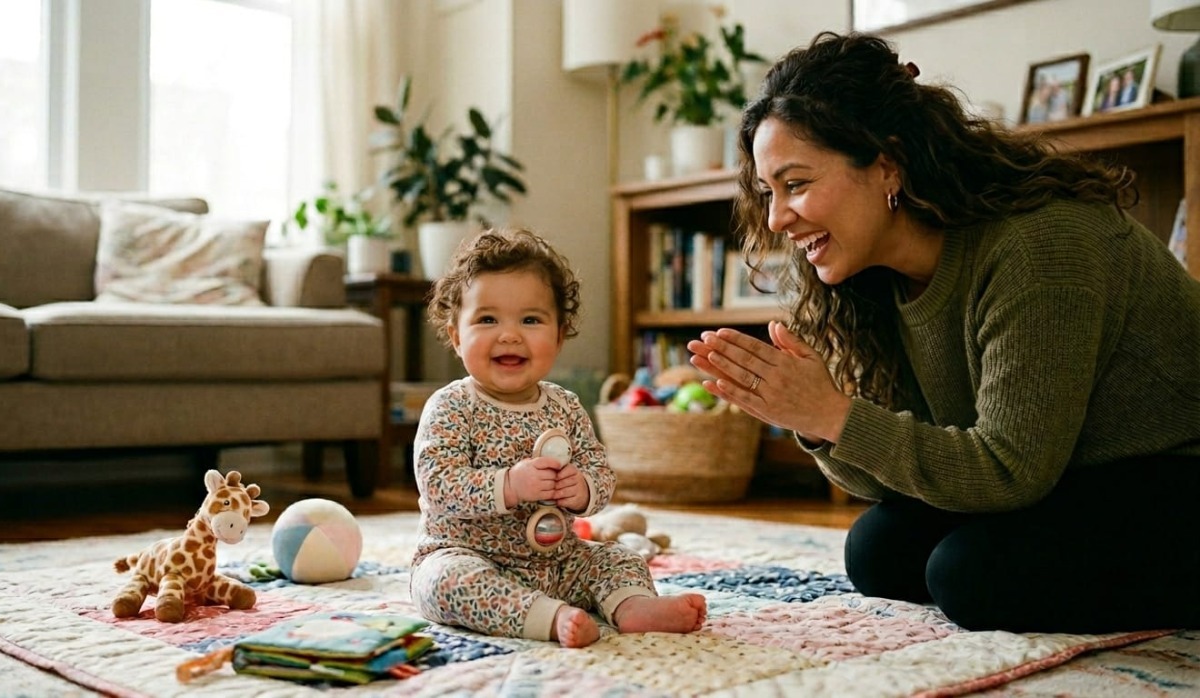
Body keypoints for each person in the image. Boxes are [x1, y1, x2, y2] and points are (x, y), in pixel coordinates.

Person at [687, 31, 1200, 634]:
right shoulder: (874, 278)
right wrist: (818, 421)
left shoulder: (1040, 246)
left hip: (1172, 472)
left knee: (971, 575)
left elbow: (1009, 470)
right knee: (878, 551)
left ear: (887, 164)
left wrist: (833, 414)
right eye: (768, 192)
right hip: (1071, 478)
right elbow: (911, 464)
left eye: (795, 184)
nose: (776, 219)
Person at [411, 227, 706, 648]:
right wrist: (510, 485)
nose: (510, 334)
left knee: (618, 558)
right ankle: (548, 618)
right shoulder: (452, 405)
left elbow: (599, 472)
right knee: (442, 583)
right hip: (467, 555)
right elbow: (438, 483)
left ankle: (633, 606)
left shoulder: (564, 406)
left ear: (559, 335)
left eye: (530, 320)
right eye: (488, 319)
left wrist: (582, 489)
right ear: (457, 336)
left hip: (557, 560)